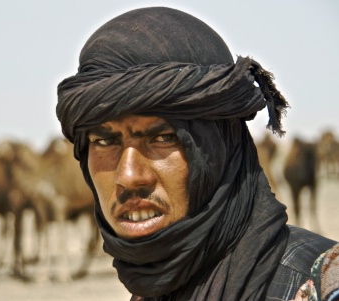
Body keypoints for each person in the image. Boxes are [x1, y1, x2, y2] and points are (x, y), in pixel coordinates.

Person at [56, 6, 339, 301]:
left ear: (220, 149)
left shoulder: (323, 285)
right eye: (103, 141)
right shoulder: (152, 291)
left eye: (163, 137)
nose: (128, 176)